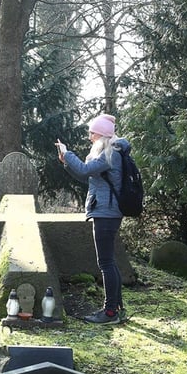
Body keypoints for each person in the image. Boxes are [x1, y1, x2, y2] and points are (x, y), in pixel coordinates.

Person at [57, 113, 129, 324]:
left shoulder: (111, 153)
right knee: (109, 262)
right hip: (105, 211)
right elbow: (83, 175)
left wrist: (67, 153)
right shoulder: (107, 152)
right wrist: (66, 161)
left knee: (105, 262)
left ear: (102, 134)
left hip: (106, 213)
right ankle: (116, 308)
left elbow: (85, 169)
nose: (89, 137)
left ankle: (109, 312)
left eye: (92, 133)